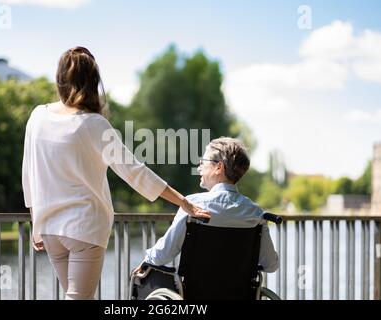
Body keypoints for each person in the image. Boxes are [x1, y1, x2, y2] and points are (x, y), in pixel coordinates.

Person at [21, 46, 210, 300]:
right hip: (84, 228)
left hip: (50, 229)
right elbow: (135, 172)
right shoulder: (94, 124)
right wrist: (184, 202)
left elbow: (29, 173)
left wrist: (37, 221)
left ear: (60, 80)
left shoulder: (37, 116)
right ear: (93, 83)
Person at [141, 137, 279, 273]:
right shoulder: (255, 213)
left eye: (203, 162)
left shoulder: (192, 206)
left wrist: (147, 259)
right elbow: (271, 265)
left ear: (219, 167)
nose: (199, 167)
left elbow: (162, 256)